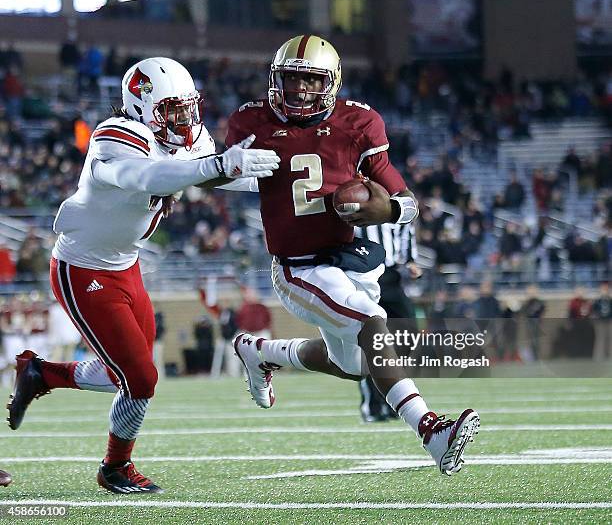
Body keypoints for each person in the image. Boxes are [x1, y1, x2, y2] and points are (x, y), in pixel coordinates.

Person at [6, 57, 279, 494]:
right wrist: (218, 167)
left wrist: (283, 177)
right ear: (139, 105)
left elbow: (218, 172)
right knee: (142, 379)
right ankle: (115, 467)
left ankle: (41, 374)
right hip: (83, 269)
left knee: (129, 373)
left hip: (125, 264)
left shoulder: (179, 140)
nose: (184, 120)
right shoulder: (115, 138)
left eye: (189, 108)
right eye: (172, 110)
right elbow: (147, 174)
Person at [229, 35, 479, 475]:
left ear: (331, 83)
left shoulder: (359, 122)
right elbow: (216, 177)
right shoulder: (252, 121)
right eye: (291, 80)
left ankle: (262, 351)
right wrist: (227, 168)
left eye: (311, 81)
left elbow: (407, 200)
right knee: (372, 324)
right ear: (276, 80)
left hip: (347, 258)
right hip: (299, 267)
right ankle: (431, 432)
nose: (300, 90)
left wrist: (389, 208)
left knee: (357, 366)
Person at [354, 222, 420, 422]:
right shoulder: (352, 199)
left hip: (391, 275)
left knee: (407, 334)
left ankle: (393, 400)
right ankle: (372, 405)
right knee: (370, 341)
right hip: (362, 275)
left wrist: (410, 260)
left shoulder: (394, 200)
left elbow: (405, 228)